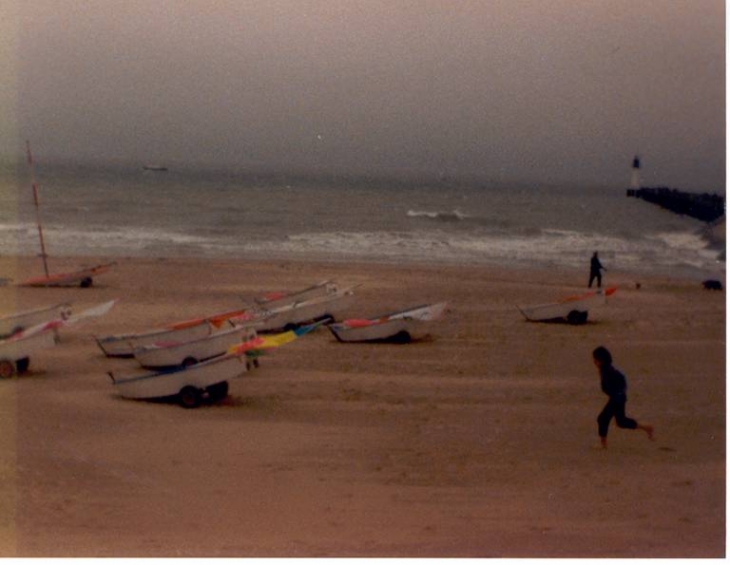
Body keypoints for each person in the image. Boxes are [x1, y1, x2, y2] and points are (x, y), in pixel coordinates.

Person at [592, 346, 653, 449]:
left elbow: (614, 384)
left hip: (617, 398)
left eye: (596, 359)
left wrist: (618, 395)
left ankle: (603, 444)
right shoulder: (606, 369)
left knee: (603, 419)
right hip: (618, 397)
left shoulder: (607, 371)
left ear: (601, 360)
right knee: (621, 421)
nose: (594, 362)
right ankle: (647, 428)